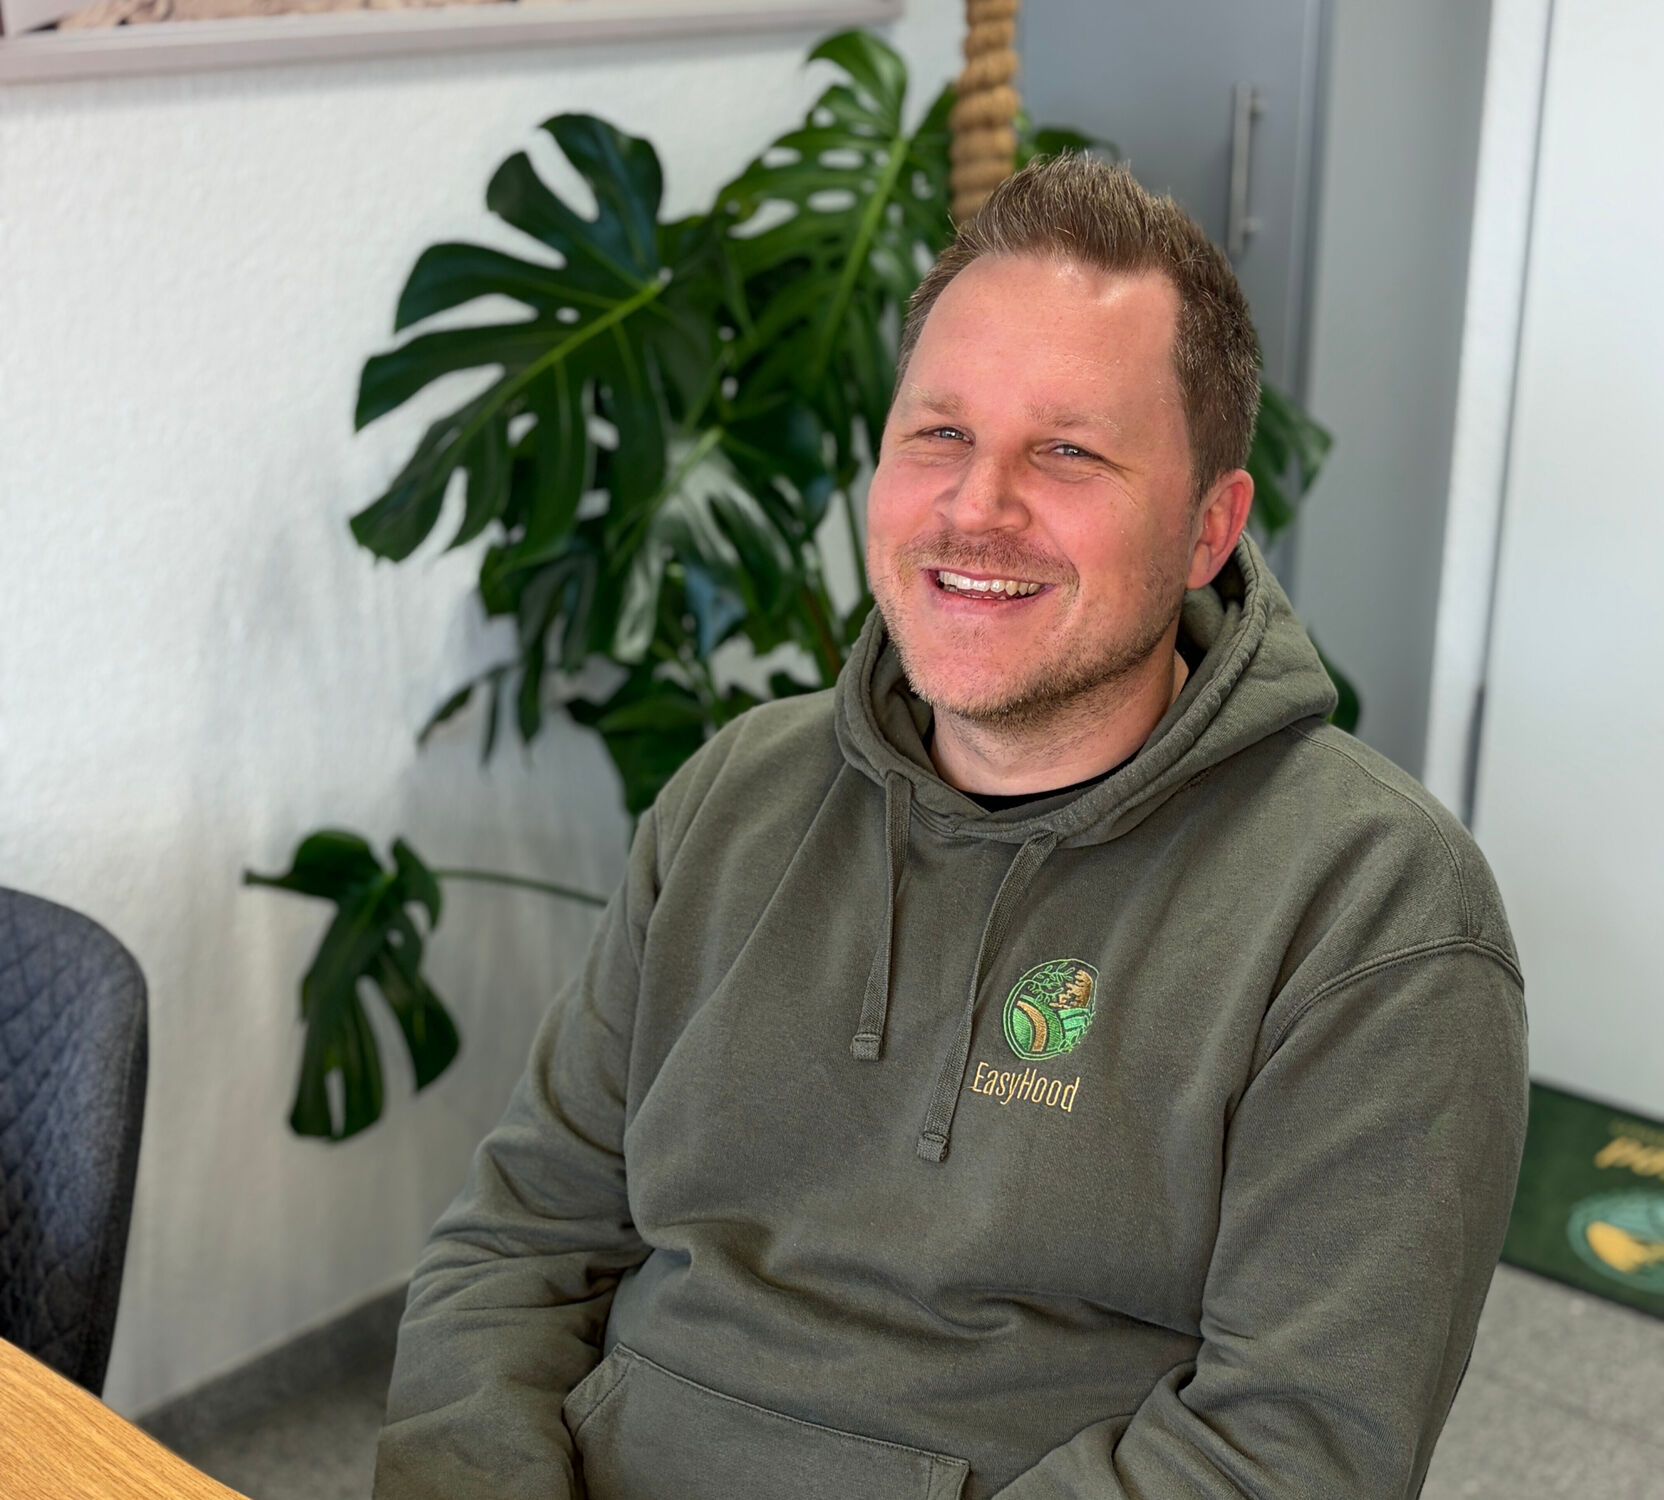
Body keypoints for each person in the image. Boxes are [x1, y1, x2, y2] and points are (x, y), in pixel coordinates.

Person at [372, 154, 1528, 1500]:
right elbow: (520, 1240)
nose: (978, 506)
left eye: (1070, 451)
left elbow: (1288, 1450)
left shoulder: (1375, 909)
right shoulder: (735, 796)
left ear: (1208, 528)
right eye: (939, 435)